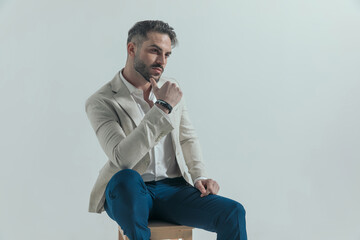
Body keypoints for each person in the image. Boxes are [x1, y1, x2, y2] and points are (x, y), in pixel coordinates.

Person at [85, 20, 247, 240]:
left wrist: (200, 176)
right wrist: (162, 109)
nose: (162, 61)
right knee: (126, 179)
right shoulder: (102, 101)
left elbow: (187, 137)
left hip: (174, 190)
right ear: (132, 49)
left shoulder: (171, 88)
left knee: (233, 213)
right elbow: (121, 158)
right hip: (131, 192)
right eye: (154, 51)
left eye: (167, 54)